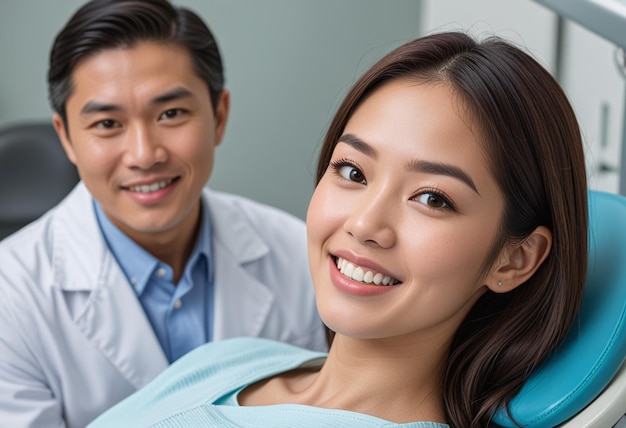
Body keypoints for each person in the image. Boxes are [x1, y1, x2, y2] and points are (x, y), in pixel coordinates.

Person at [87, 30, 589, 428]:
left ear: (514, 258)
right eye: (352, 171)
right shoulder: (236, 359)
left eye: (432, 198)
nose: (365, 224)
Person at [0, 0, 326, 427]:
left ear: (220, 115)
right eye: (107, 124)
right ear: (66, 138)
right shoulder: (10, 298)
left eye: (171, 114)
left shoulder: (296, 252)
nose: (144, 155)